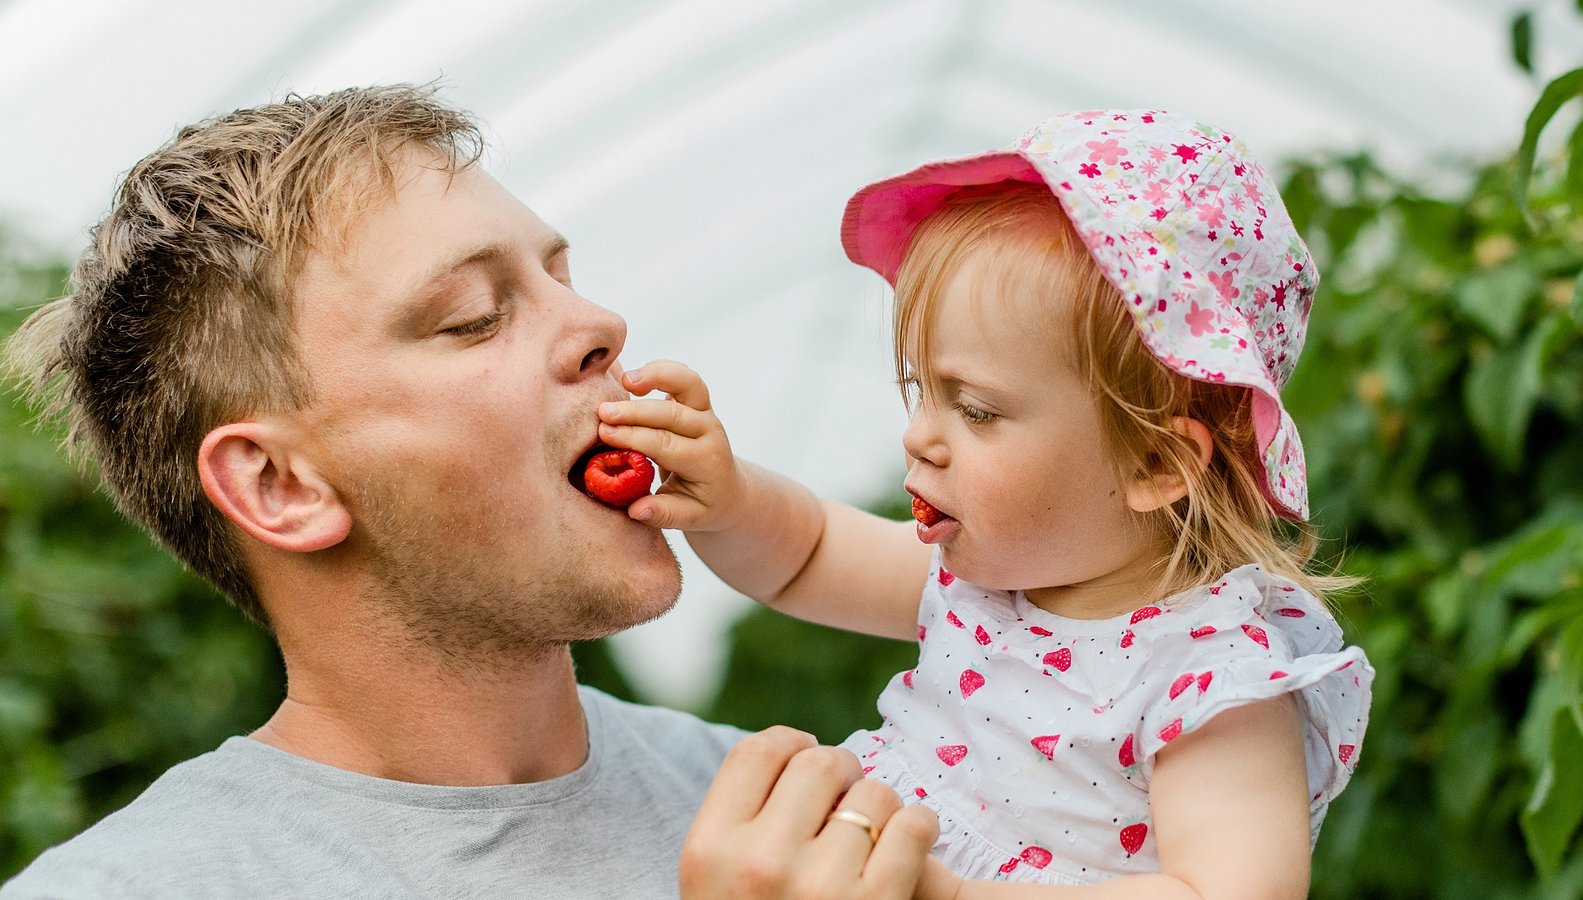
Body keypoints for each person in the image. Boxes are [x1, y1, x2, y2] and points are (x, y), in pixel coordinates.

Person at [0, 84, 934, 899]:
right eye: (473, 318)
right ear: (281, 485)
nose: (601, 325)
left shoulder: (796, 812)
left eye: (561, 277)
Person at [595, 110, 1373, 897]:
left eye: (975, 410)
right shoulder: (982, 583)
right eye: (919, 392)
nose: (920, 438)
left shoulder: (1208, 681)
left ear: (1155, 462)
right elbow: (806, 554)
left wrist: (949, 892)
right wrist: (728, 498)